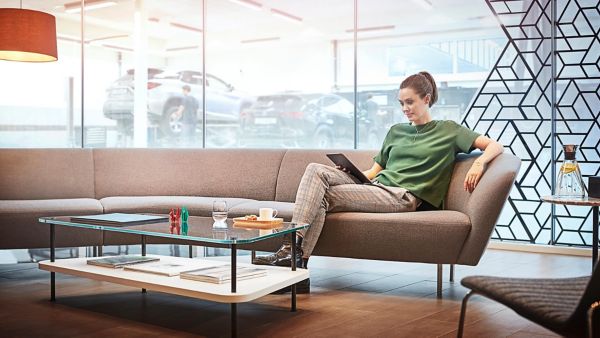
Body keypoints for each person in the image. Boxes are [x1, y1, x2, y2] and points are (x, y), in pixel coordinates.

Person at [253, 71, 504, 294]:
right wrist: (351, 174)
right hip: (376, 187)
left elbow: (495, 145)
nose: (405, 108)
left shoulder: (449, 130)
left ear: (426, 99)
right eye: (401, 103)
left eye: (410, 102)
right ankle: (297, 263)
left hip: (403, 196)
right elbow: (373, 172)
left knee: (323, 198)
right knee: (316, 171)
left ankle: (293, 259)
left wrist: (480, 163)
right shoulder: (396, 131)